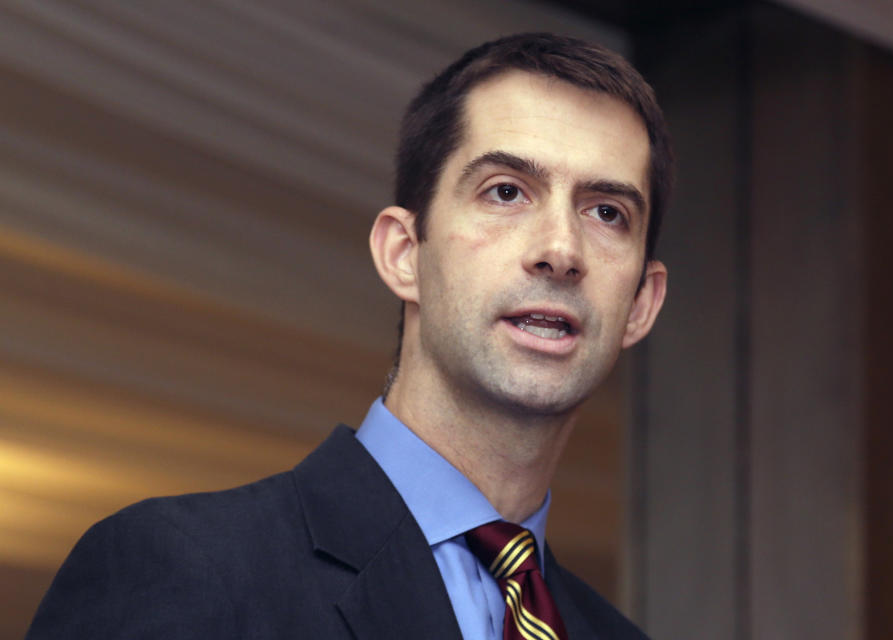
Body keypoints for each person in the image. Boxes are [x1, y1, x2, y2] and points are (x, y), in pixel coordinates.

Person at [27, 32, 671, 640]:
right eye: (506, 192)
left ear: (641, 302)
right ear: (402, 254)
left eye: (607, 212)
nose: (560, 249)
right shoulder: (181, 568)